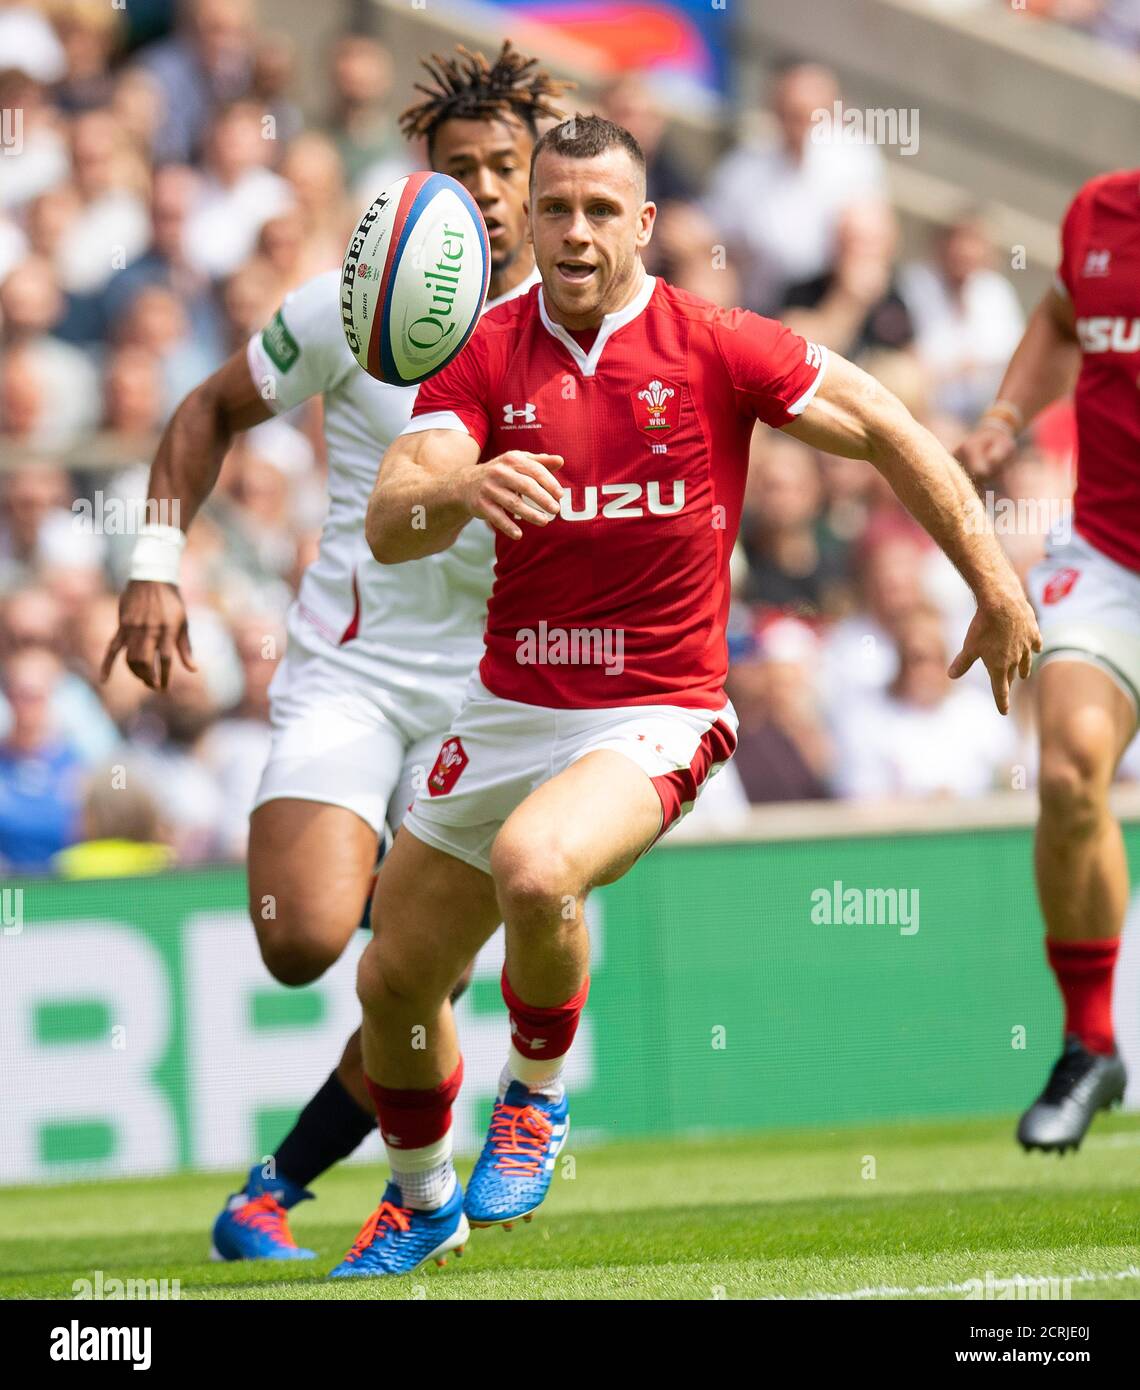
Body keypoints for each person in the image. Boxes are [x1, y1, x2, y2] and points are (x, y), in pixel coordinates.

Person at [331, 113, 1040, 1278]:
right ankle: (419, 1200)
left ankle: (537, 1095)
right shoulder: (483, 348)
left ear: (644, 225)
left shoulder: (713, 343)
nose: (572, 230)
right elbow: (391, 519)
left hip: (656, 706)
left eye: (601, 210)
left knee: (536, 866)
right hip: (512, 705)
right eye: (553, 207)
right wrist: (461, 485)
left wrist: (995, 580)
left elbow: (888, 427)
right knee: (391, 973)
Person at [101, 40, 572, 1261]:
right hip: (353, 667)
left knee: (413, 973)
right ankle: (415, 958)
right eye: (457, 167)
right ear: (423, 178)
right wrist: (156, 566)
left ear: (535, 179)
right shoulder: (354, 306)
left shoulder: (587, 329)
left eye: (503, 168)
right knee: (304, 937)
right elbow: (206, 406)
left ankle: (286, 1186)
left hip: (497, 697)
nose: (481, 189)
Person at [955, 168, 1140, 1152]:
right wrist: (1004, 416)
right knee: (1069, 770)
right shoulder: (1099, 211)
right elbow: (1064, 316)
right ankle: (1092, 1040)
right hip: (1110, 552)